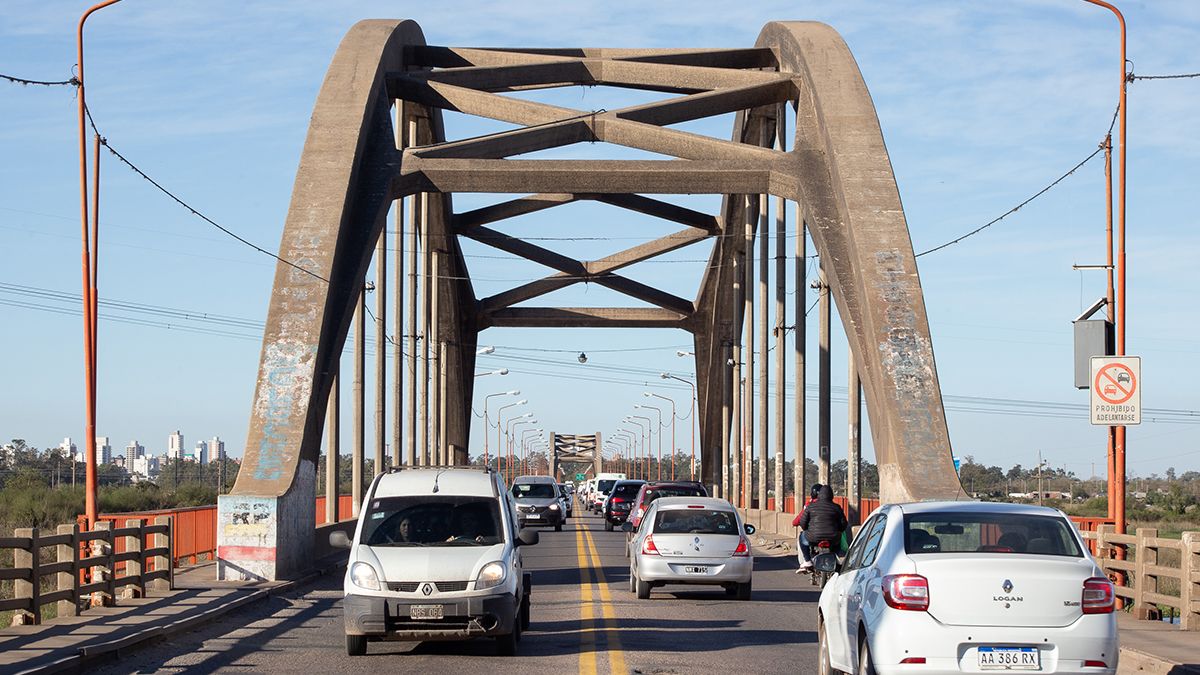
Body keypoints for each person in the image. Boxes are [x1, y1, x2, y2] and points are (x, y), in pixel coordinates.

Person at [793, 484, 848, 571]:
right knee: (838, 542)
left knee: (802, 537)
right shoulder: (836, 507)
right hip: (832, 537)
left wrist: (807, 530)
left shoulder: (810, 506)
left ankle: (807, 560)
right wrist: (838, 530)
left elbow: (803, 522)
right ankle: (835, 558)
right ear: (831, 496)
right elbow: (844, 524)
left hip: (813, 537)